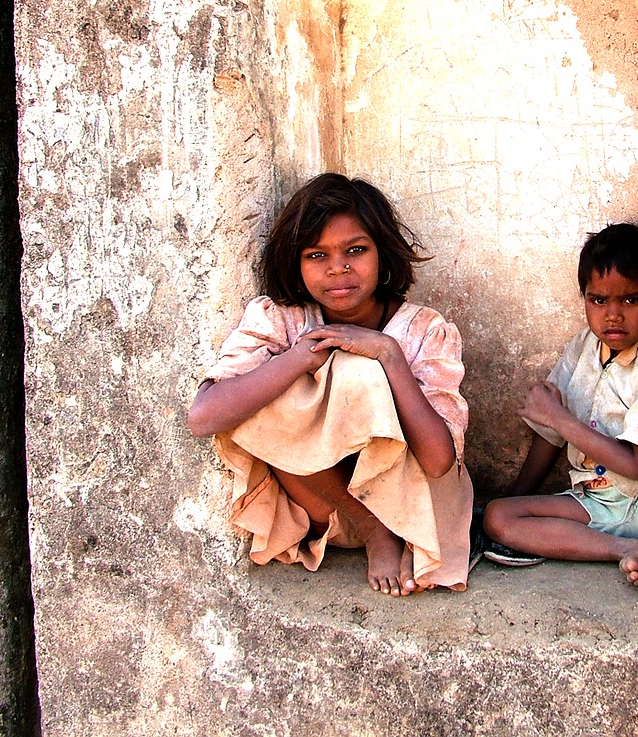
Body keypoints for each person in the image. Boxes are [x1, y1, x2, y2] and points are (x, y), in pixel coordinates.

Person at [188, 173, 472, 596]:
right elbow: (205, 416)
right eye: (317, 254)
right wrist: (298, 359)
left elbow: (437, 463)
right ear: (295, 263)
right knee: (259, 394)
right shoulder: (283, 319)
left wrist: (388, 356)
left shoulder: (424, 330)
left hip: (412, 516)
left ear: (382, 254)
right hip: (330, 514)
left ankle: (384, 527)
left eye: (355, 250)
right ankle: (371, 527)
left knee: (362, 374)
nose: (338, 268)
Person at [482, 223, 638, 594]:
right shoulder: (582, 347)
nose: (613, 315)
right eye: (598, 300)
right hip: (596, 501)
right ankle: (629, 549)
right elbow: (550, 434)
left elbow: (633, 464)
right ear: (584, 299)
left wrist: (558, 418)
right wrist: (518, 498)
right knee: (499, 516)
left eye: (631, 300)